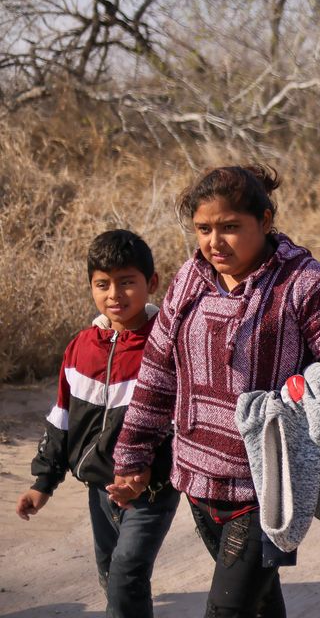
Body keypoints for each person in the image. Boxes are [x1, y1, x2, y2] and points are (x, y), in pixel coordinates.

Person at [110, 166, 320, 618]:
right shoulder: (190, 277)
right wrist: (132, 457)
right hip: (198, 475)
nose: (215, 242)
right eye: (204, 229)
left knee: (226, 610)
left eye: (230, 227)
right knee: (261, 605)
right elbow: (157, 372)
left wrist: (281, 404)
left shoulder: (307, 284)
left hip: (267, 484)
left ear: (265, 221)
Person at [15, 230, 178, 618]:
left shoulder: (168, 346)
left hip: (150, 490)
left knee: (126, 575)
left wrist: (151, 472)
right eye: (102, 284)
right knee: (111, 575)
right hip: (99, 489)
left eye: (127, 282)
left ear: (151, 283)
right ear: (90, 286)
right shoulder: (80, 348)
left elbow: (184, 420)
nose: (114, 295)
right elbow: (61, 419)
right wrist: (43, 483)